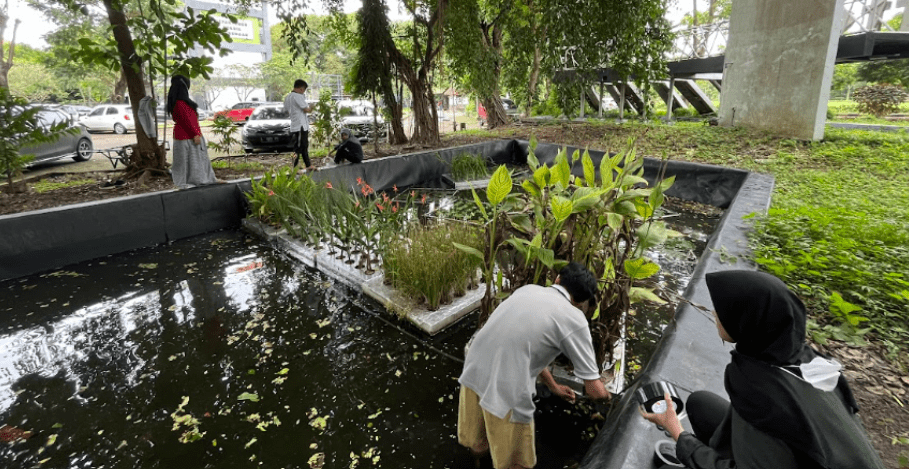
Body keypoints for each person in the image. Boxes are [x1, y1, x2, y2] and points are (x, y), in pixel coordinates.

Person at [640, 270, 885, 469]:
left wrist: (677, 432)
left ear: (748, 322)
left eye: (724, 310)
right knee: (701, 404)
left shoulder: (762, 395)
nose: (715, 312)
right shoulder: (800, 357)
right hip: (812, 455)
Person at [458, 262, 611, 469]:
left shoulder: (528, 289)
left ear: (557, 279)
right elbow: (595, 390)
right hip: (507, 387)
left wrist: (553, 387)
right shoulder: (575, 318)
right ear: (582, 301)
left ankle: (477, 462)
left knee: (479, 438)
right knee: (517, 462)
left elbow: (524, 350)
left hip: (474, 368)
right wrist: (609, 398)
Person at [167, 74, 220, 189]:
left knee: (197, 160)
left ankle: (206, 179)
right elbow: (186, 120)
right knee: (184, 162)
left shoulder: (183, 103)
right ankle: (182, 183)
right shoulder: (180, 103)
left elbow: (191, 120)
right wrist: (195, 134)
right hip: (186, 136)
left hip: (192, 135)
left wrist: (197, 133)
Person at [283, 79, 313, 171]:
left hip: (295, 124)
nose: (303, 92)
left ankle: (308, 165)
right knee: (299, 147)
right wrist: (312, 107)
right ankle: (295, 167)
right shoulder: (298, 96)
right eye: (304, 90)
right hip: (301, 126)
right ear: (301, 88)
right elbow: (306, 109)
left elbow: (287, 110)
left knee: (303, 146)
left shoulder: (288, 97)